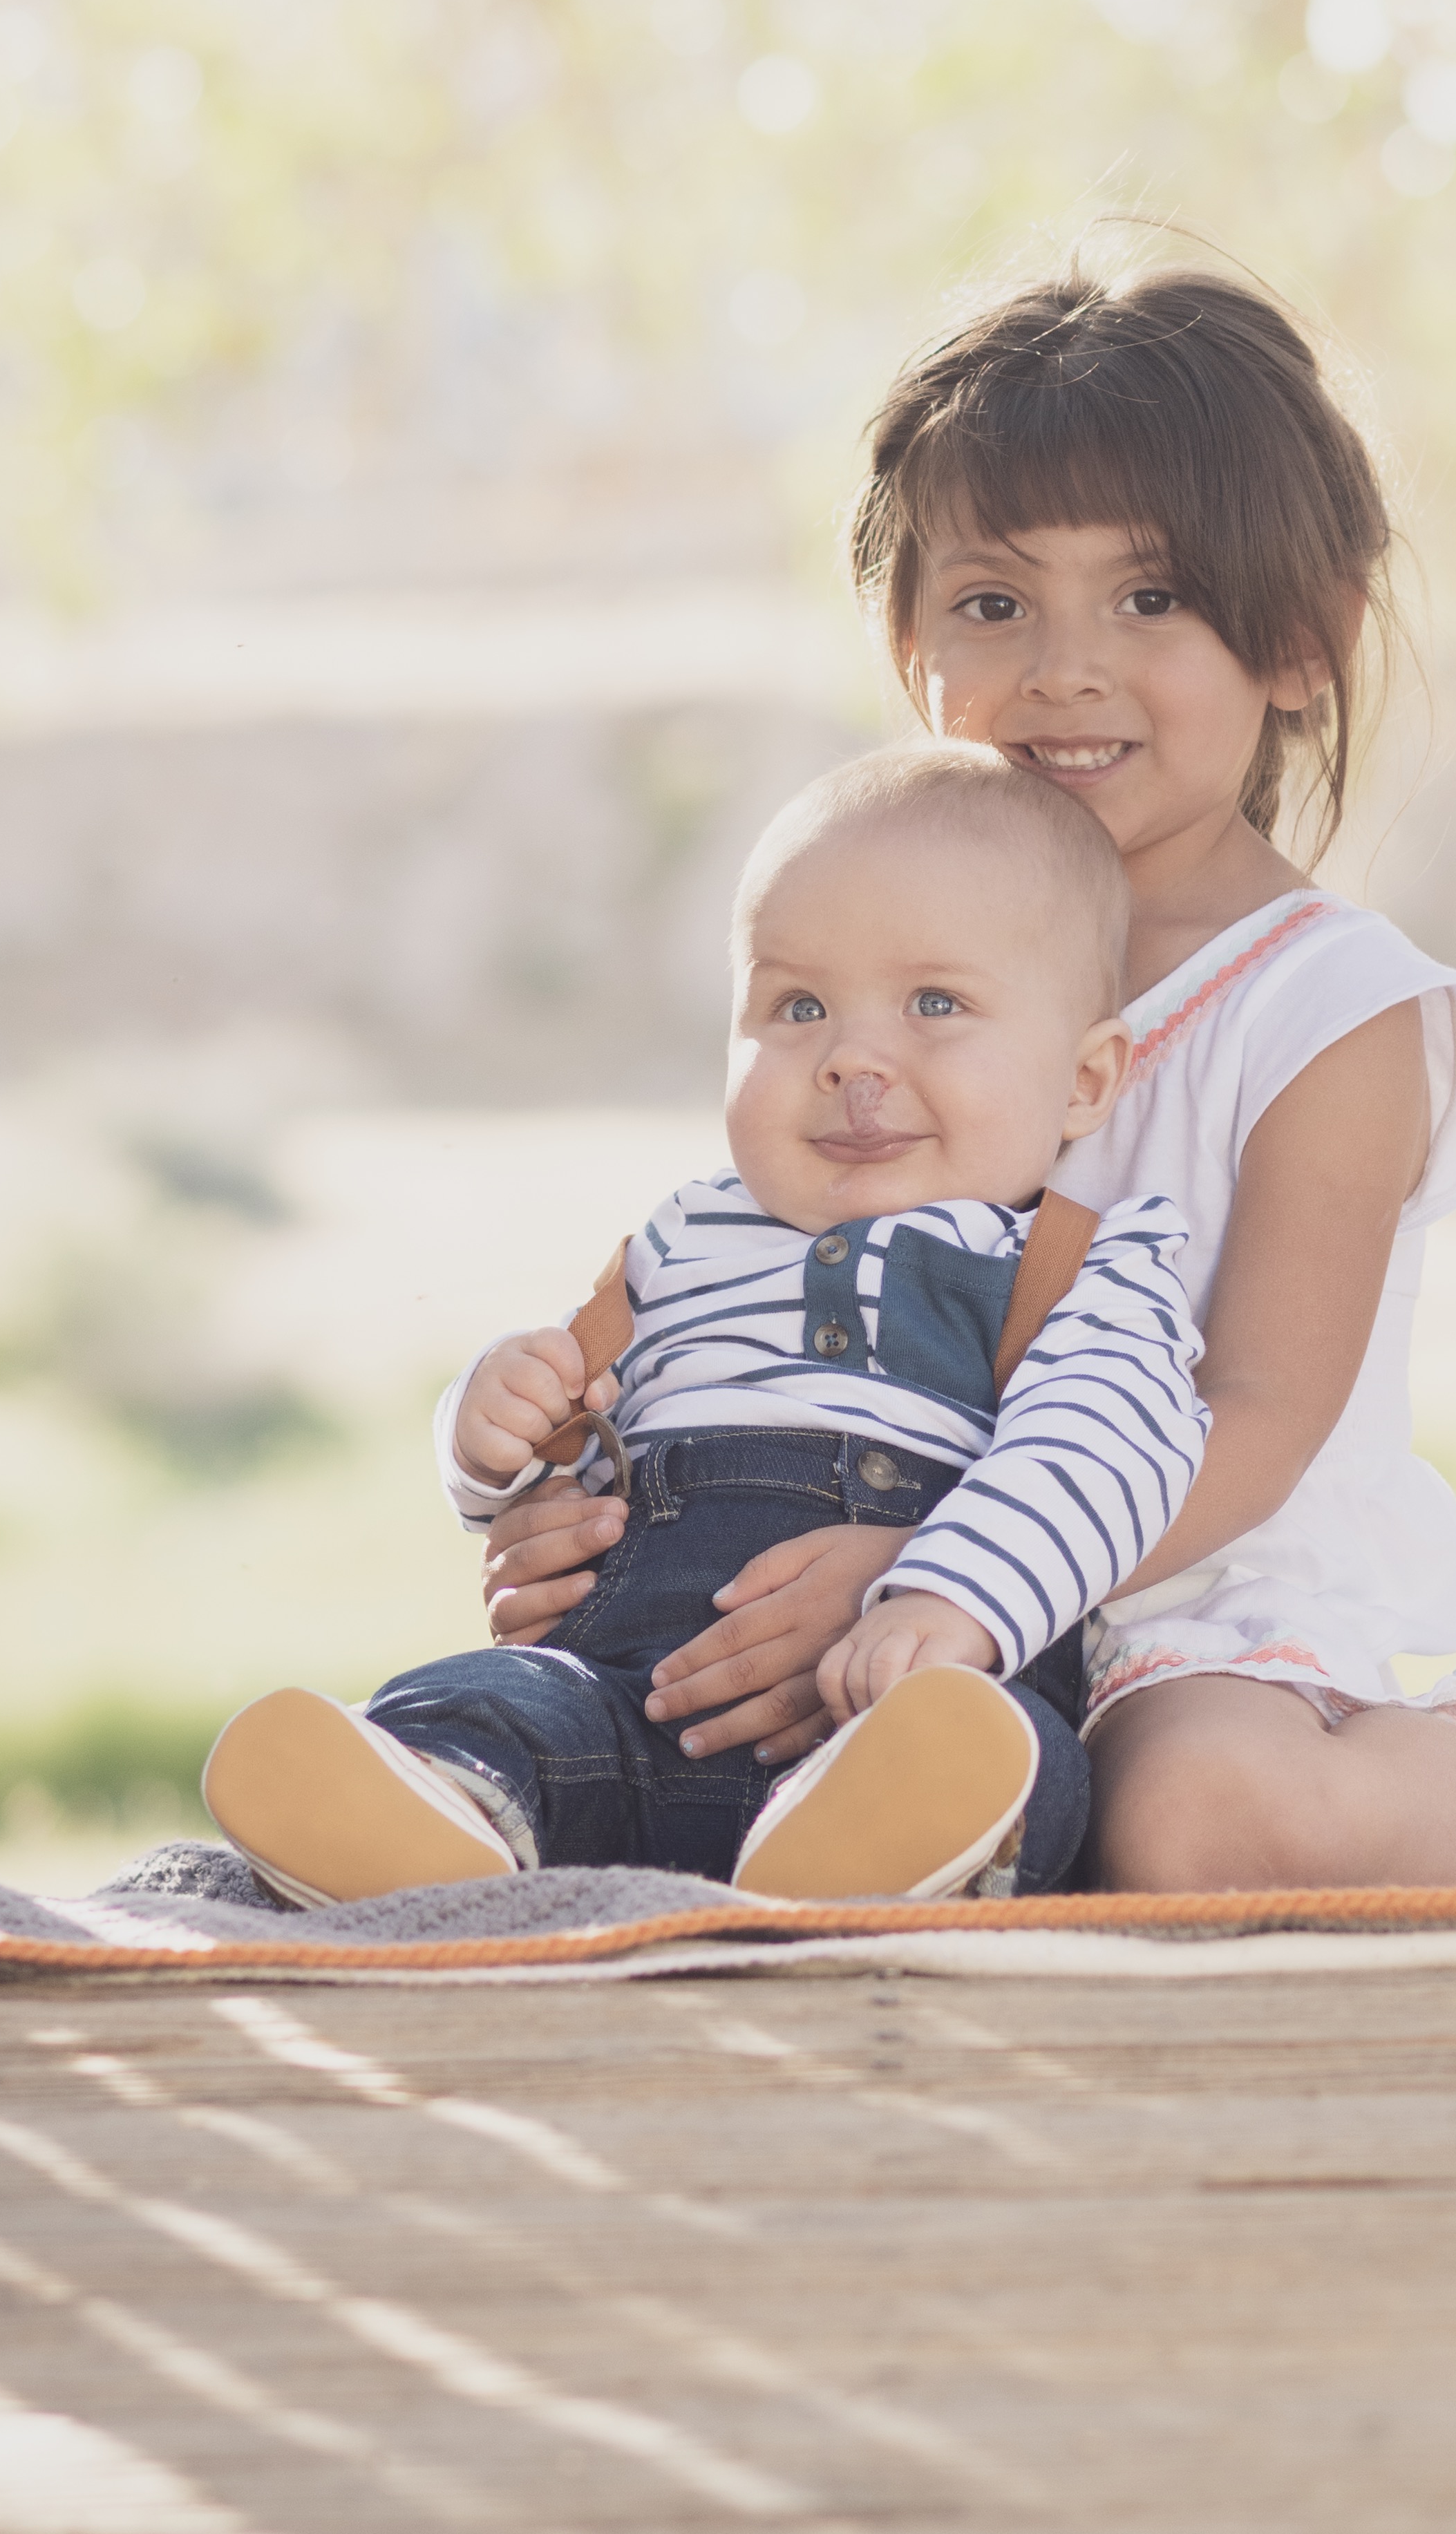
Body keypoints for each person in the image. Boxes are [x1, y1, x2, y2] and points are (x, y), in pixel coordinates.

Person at [474, 252, 1456, 1892]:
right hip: (884, 1594)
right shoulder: (884, 974)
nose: (1065, 665)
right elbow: (734, 1304)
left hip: (1192, 1614)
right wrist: (578, 1514)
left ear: (1303, 640)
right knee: (618, 1728)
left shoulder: (1327, 1005)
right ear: (908, 641)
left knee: (1182, 1819)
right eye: (993, 604)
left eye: (1152, 598)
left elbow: (1251, 1406)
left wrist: (939, 1572)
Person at [200, 740, 1206, 1906]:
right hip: (628, 1698)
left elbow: (1107, 1450)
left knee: (1012, 1755)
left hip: (879, 1701)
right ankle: (445, 1824)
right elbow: (561, 1454)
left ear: (1085, 1082)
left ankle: (879, 1850)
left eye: (936, 1003)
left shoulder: (1087, 1263)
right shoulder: (682, 1242)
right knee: (492, 1703)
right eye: (797, 1006)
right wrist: (492, 1428)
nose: (852, 1058)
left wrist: (952, 1600)